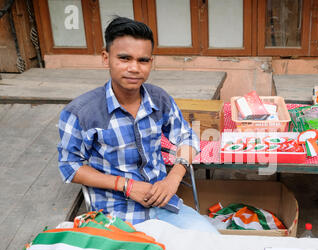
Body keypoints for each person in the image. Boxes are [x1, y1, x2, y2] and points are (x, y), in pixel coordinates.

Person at [57, 16, 218, 234]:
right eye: (124, 58)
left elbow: (187, 137)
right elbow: (70, 166)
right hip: (113, 215)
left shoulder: (159, 99)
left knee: (210, 244)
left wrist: (174, 176)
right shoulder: (80, 112)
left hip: (162, 205)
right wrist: (126, 185)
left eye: (143, 60)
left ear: (151, 62)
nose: (134, 68)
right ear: (106, 58)